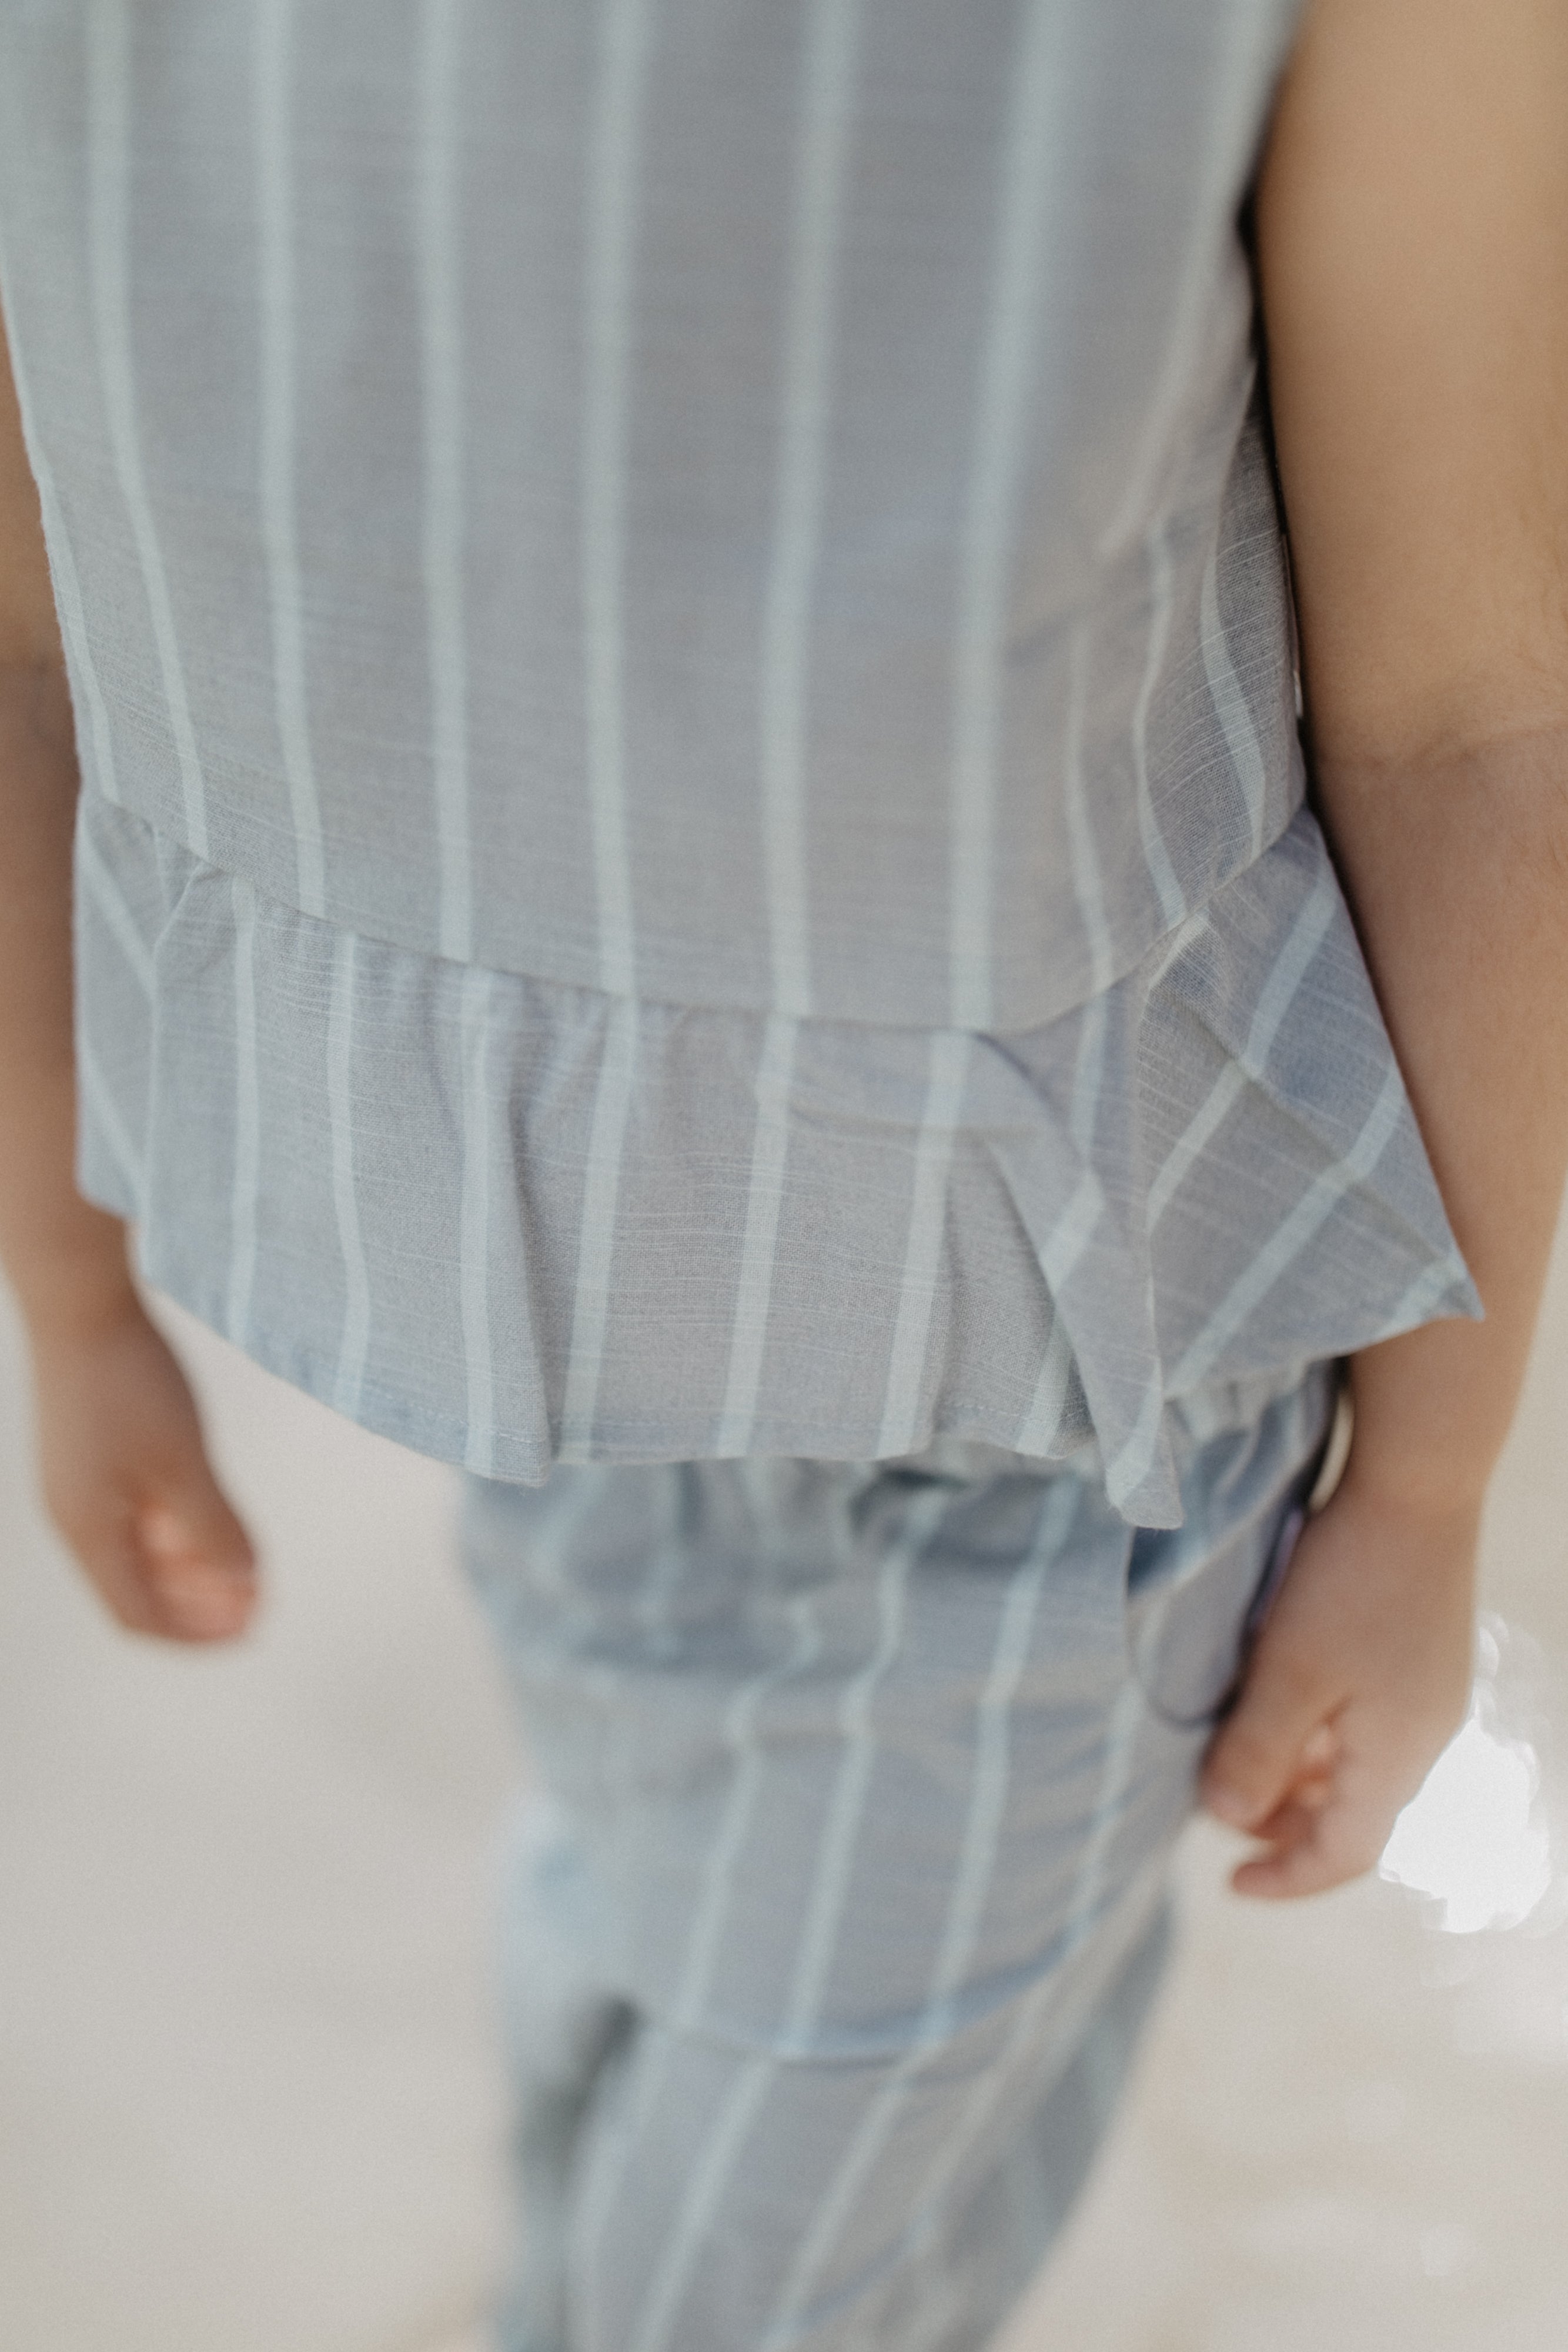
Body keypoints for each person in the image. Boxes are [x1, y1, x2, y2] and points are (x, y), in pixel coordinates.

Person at [0, 0, 1564, 2346]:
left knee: (743, 2275)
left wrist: (1423, 1488)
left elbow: (1458, 708)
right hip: (515, 1333)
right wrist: (71, 1286)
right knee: (614, 1959)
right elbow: (40, 630)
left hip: (1053, 1411)